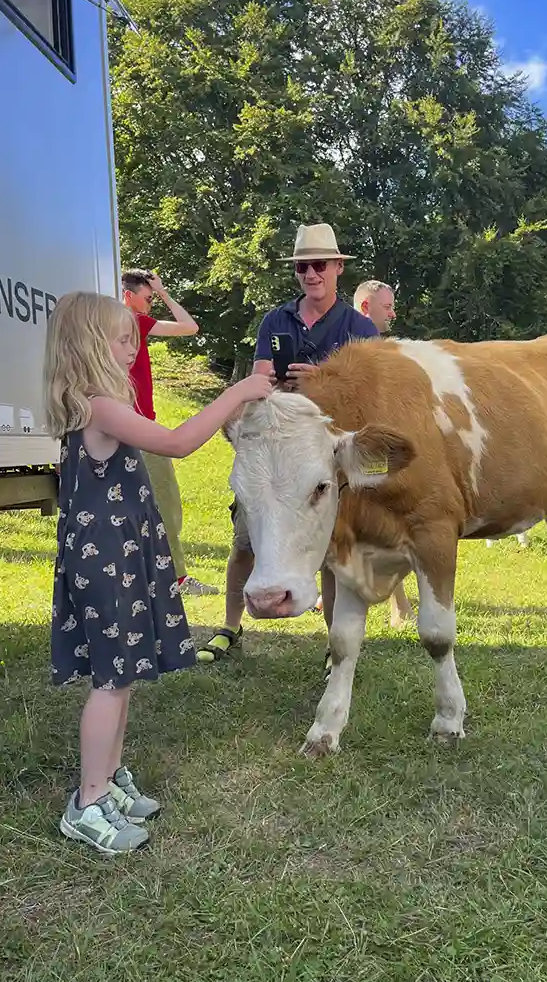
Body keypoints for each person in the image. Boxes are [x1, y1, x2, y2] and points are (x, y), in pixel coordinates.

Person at [44, 291, 271, 854]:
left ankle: (110, 779)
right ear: (91, 345)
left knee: (121, 674)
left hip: (118, 553)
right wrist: (238, 391)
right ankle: (87, 803)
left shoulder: (96, 405)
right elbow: (177, 443)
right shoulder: (99, 406)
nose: (133, 347)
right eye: (122, 339)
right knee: (110, 681)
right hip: (106, 558)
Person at [198, 223, 379, 662]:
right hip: (275, 452)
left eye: (319, 265)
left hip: (325, 457)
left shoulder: (361, 328)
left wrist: (322, 381)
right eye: (302, 267)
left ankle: (335, 645)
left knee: (334, 551)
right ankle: (229, 626)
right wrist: (271, 379)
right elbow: (259, 377)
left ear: (338, 267)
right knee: (246, 540)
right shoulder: (276, 320)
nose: (311, 274)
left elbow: (372, 396)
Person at [122, 269, 218, 596]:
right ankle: (175, 579)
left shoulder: (115, 324)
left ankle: (145, 576)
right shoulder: (133, 321)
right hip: (141, 428)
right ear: (128, 296)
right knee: (165, 500)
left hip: (124, 426)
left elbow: (190, 328)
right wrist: (164, 293)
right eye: (148, 298)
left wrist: (158, 293)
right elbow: (190, 327)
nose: (150, 304)